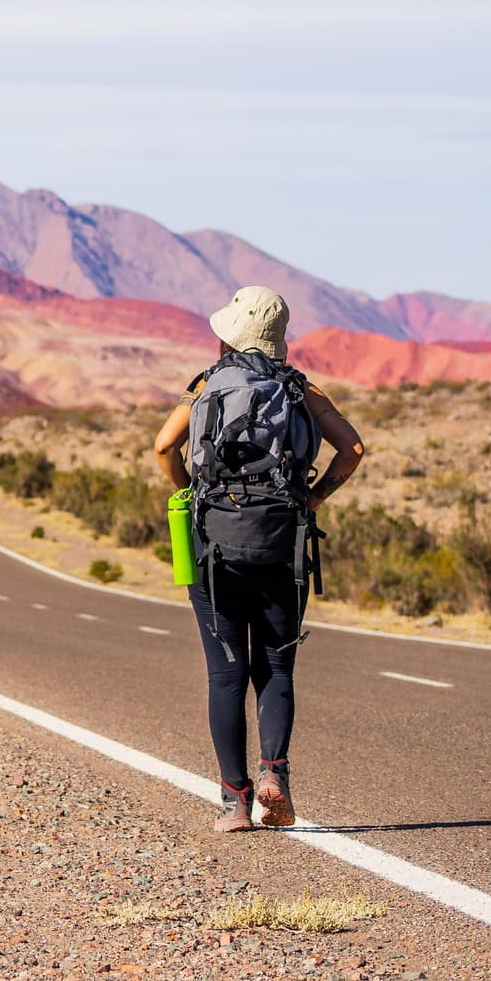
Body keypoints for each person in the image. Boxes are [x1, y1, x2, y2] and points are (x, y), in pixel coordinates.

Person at [152, 286, 364, 832]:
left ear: (228, 334)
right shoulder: (300, 388)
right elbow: (353, 449)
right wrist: (313, 499)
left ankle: (234, 802)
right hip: (282, 543)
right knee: (275, 667)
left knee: (226, 675)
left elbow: (163, 446)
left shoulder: (205, 385)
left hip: (214, 547)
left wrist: (189, 492)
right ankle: (275, 774)